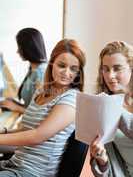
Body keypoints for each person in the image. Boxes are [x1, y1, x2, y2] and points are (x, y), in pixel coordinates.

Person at [0, 39, 85, 177]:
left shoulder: (72, 98)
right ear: (52, 64)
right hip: (15, 164)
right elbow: (27, 129)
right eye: (62, 65)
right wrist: (4, 131)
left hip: (33, 172)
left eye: (73, 68)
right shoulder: (41, 91)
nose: (66, 72)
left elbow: (37, 136)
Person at [90, 41, 133, 177]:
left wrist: (116, 112)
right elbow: (106, 173)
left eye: (117, 68)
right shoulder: (101, 106)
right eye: (105, 69)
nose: (110, 75)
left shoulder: (109, 108)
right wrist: (102, 161)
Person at [0, 27, 47, 114]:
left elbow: (40, 114)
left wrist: (16, 107)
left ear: (28, 48)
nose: (17, 51)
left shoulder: (41, 72)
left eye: (20, 47)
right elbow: (31, 105)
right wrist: (14, 103)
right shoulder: (33, 70)